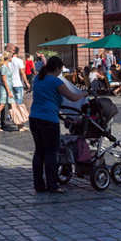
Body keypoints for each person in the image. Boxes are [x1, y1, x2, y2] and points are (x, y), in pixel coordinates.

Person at [29, 56, 87, 194]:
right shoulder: (55, 81)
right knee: (51, 153)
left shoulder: (38, 78)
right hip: (49, 119)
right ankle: (52, 186)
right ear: (56, 69)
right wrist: (83, 93)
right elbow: (72, 97)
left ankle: (38, 184)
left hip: (34, 118)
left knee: (39, 152)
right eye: (60, 70)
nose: (60, 73)